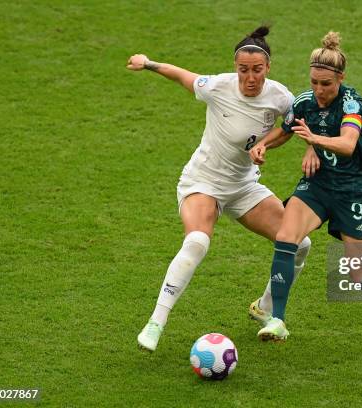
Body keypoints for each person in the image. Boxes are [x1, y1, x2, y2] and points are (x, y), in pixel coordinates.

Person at [126, 26, 312, 352]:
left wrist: (267, 145)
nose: (250, 77)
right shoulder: (218, 86)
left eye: (257, 70)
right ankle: (156, 322)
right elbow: (183, 76)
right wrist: (149, 63)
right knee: (197, 241)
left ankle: (265, 308)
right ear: (235, 67)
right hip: (203, 182)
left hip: (243, 187)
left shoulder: (281, 96)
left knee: (300, 243)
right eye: (243, 70)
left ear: (267, 68)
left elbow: (293, 127)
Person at [247, 32, 362, 348]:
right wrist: (263, 146)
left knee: (360, 276)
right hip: (318, 186)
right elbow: (287, 130)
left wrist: (315, 141)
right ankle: (277, 319)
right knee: (287, 236)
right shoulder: (305, 101)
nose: (319, 90)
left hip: (353, 192)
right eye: (314, 82)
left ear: (340, 78)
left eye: (326, 84)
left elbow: (347, 143)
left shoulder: (352, 103)